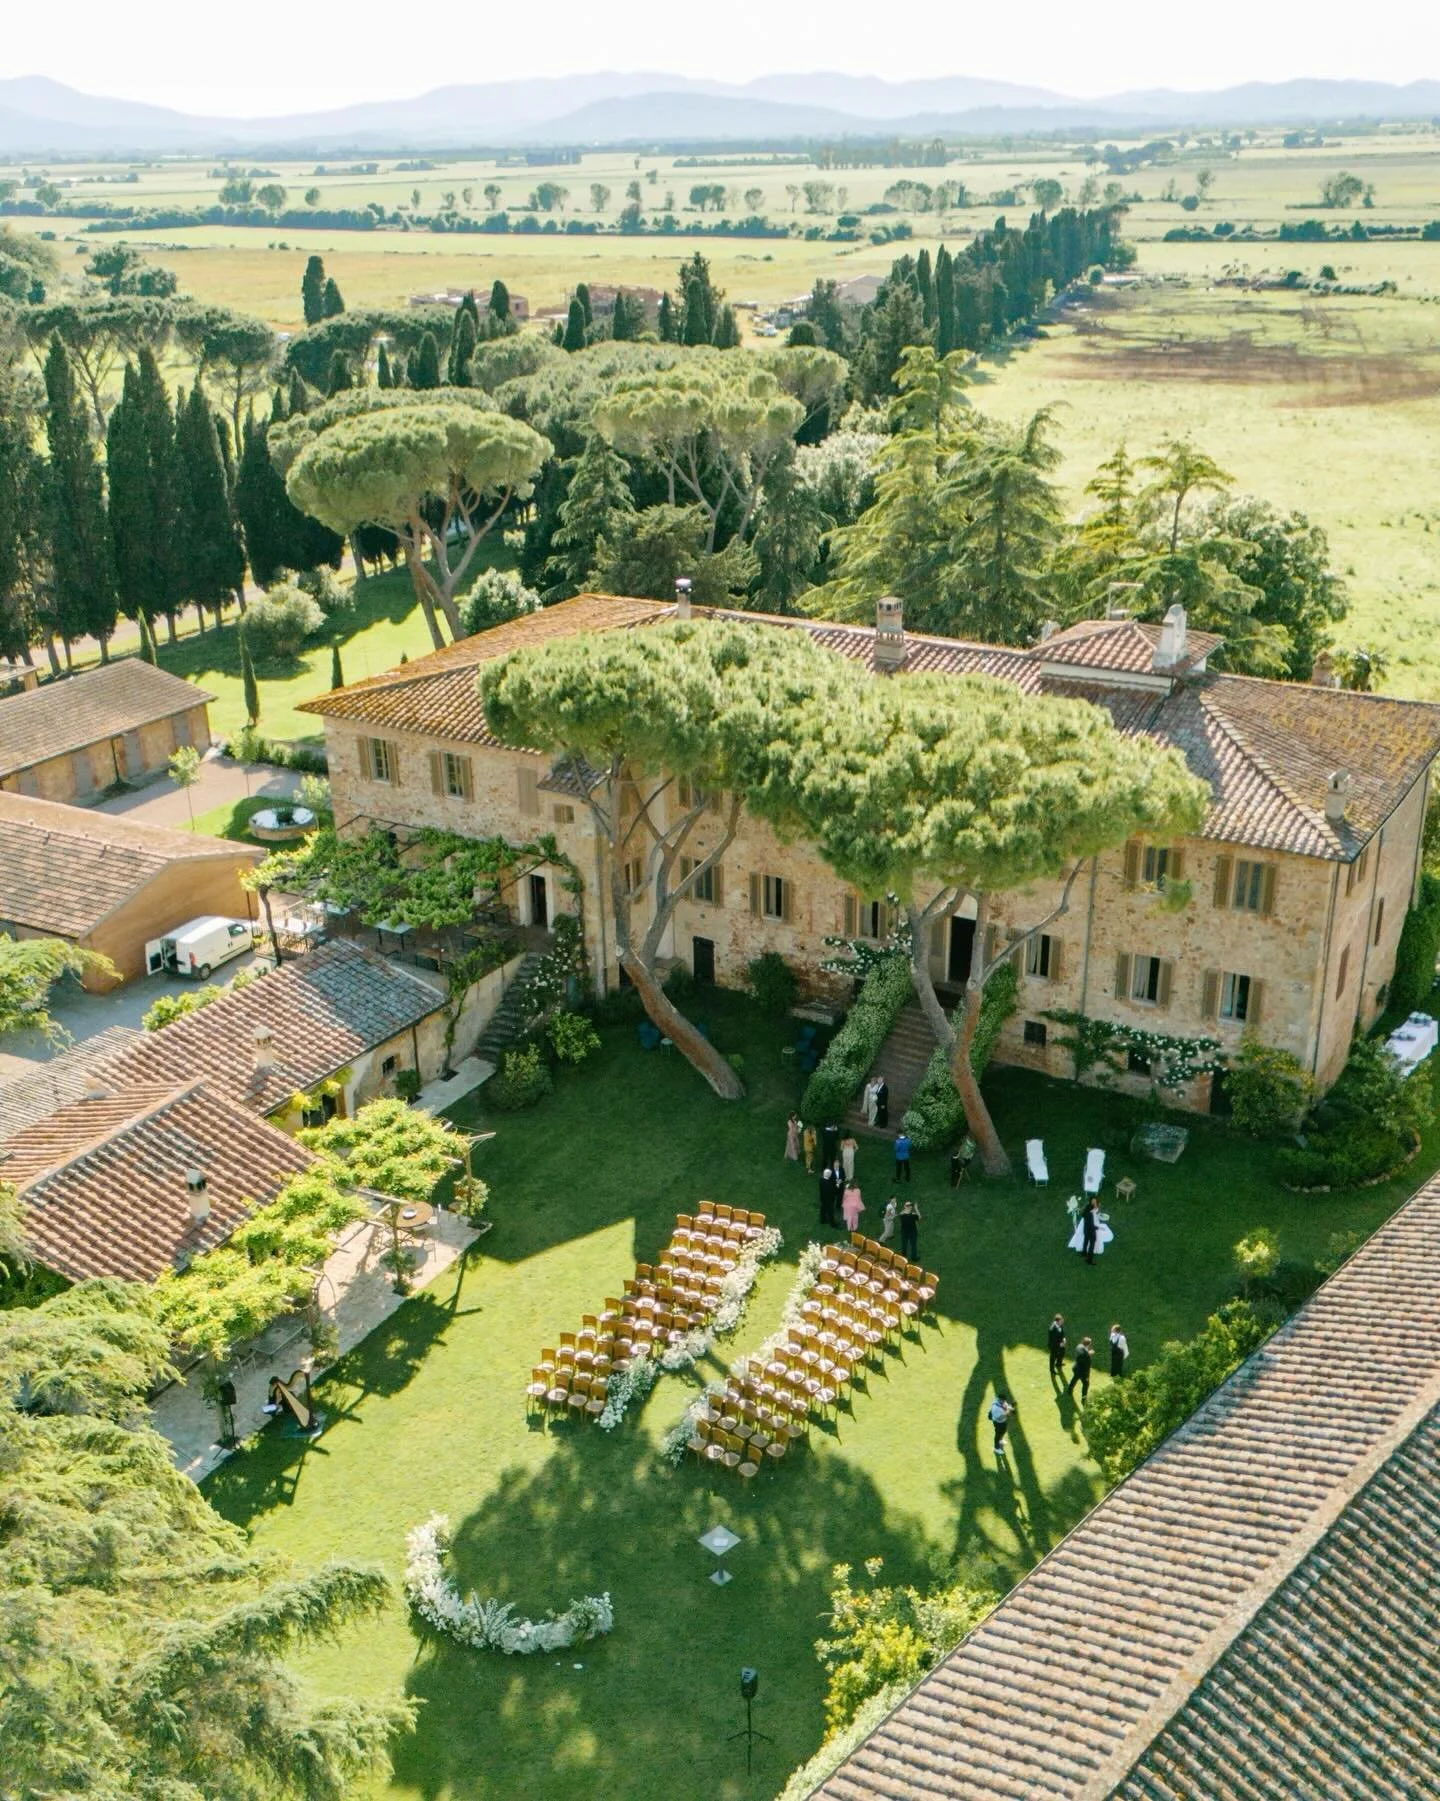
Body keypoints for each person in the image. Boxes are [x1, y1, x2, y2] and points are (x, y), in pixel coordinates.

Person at [1067, 1336, 1093, 1403]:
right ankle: (1084, 1399)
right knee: (1086, 1384)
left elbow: (1082, 1354)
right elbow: (1085, 1364)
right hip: (1082, 1371)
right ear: (1088, 1344)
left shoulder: (1079, 1346)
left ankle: (1069, 1389)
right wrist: (1088, 1354)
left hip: (1076, 1368)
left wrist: (1087, 1353)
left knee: (1075, 1378)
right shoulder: (1085, 1355)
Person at [988, 1393, 1015, 1459]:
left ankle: (1001, 1440)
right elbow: (999, 1418)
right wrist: (1007, 1412)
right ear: (999, 1399)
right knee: (998, 1434)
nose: (1004, 1402)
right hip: (998, 1423)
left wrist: (1010, 1407)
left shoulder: (1002, 1402)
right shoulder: (995, 1408)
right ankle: (996, 1448)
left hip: (1003, 1422)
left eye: (1004, 1400)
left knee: (1004, 1431)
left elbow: (1005, 1406)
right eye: (1003, 1400)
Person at [898, 1197, 921, 1262]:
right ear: (911, 1207)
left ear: (905, 1207)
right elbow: (919, 1217)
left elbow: (903, 1212)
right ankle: (914, 1258)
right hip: (912, 1232)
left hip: (904, 1232)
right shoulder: (913, 1215)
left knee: (904, 1244)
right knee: (913, 1245)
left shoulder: (901, 1215)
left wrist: (906, 1207)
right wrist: (916, 1208)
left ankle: (903, 1256)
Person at [819, 1160, 841, 1227]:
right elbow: (834, 1191)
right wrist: (837, 1184)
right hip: (829, 1200)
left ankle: (822, 1220)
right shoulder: (829, 1184)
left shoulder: (821, 1180)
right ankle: (833, 1224)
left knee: (823, 1209)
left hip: (823, 1198)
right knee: (830, 1211)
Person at [1047, 1313, 1067, 1381]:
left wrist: (1063, 1338)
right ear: (1057, 1321)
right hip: (1054, 1346)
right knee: (1053, 1357)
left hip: (1061, 1343)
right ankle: (1052, 1370)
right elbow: (1052, 1341)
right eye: (1061, 1320)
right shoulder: (1052, 1329)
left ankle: (1058, 1364)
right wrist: (1060, 1344)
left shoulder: (1059, 1324)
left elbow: (1062, 1332)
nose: (1062, 1321)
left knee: (1062, 1353)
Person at [1081, 1199, 1099, 1266]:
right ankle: (1089, 1260)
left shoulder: (1085, 1212)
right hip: (1091, 1232)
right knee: (1092, 1246)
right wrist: (1097, 1228)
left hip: (1085, 1230)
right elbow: (1091, 1226)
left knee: (1085, 1241)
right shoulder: (1090, 1215)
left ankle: (1083, 1253)